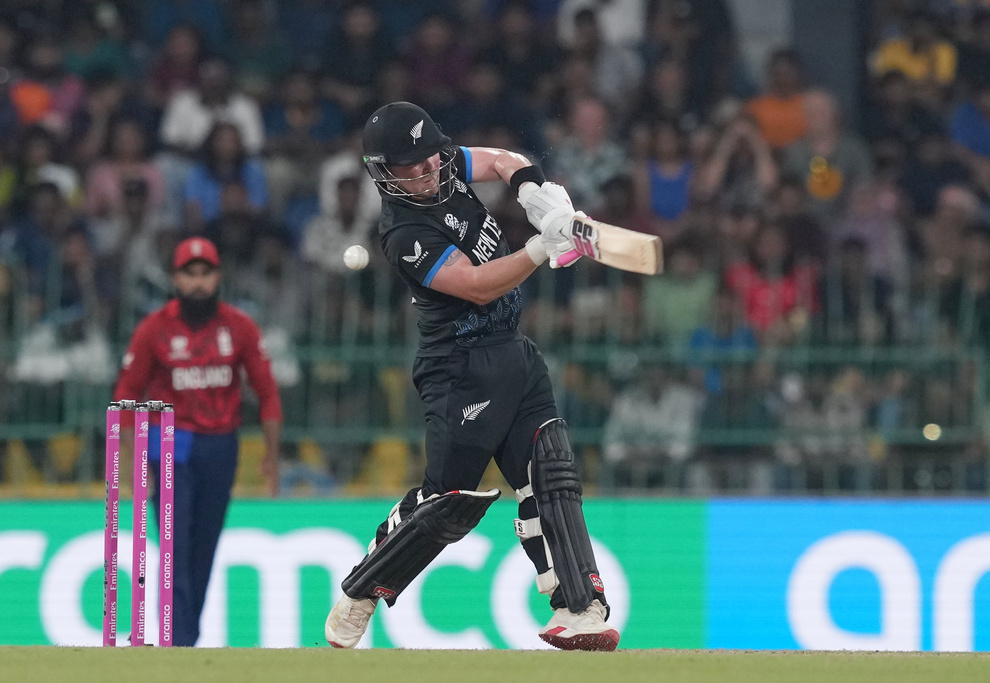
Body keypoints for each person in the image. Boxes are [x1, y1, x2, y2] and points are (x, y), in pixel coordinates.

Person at [323, 101, 619, 651]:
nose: (424, 172)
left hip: (513, 352)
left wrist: (537, 197)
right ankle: (362, 590)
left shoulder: (444, 164)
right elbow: (478, 285)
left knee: (551, 472)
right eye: (407, 168)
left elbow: (506, 160)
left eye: (428, 159)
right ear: (383, 173)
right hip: (459, 370)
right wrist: (540, 247)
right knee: (449, 502)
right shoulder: (402, 229)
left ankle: (581, 609)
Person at [112, 236, 282, 647]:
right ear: (175, 279)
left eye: (206, 274)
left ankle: (186, 638)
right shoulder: (155, 328)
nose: (199, 284)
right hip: (171, 444)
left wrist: (271, 459)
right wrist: (129, 465)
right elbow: (125, 396)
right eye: (190, 275)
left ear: (218, 276)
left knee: (204, 547)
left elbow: (267, 393)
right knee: (176, 548)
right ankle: (177, 640)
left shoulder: (239, 326)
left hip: (221, 447)